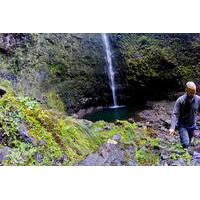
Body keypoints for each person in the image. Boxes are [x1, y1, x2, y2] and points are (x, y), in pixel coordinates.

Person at [169, 81, 200, 148]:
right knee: (186, 143)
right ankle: (184, 152)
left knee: (189, 141)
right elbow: (175, 114)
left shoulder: (198, 99)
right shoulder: (180, 100)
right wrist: (172, 127)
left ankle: (187, 154)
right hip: (183, 126)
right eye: (191, 92)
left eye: (194, 92)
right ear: (186, 90)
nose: (193, 94)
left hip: (193, 125)